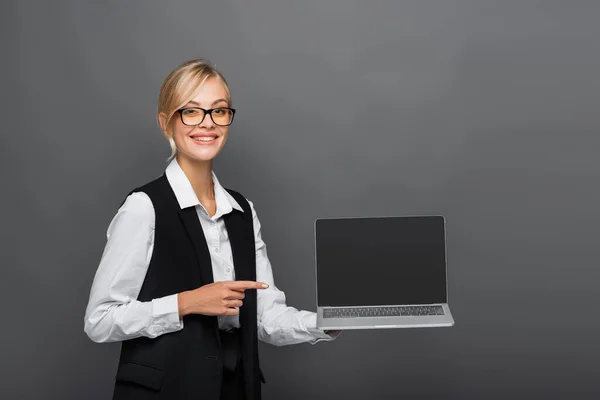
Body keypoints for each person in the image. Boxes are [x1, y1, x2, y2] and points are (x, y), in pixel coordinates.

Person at [83, 58, 340, 400]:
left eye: (219, 111)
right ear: (166, 123)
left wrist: (328, 323)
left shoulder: (242, 211)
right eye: (191, 111)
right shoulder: (144, 207)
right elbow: (99, 321)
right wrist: (187, 302)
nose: (207, 123)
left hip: (234, 389)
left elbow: (265, 316)